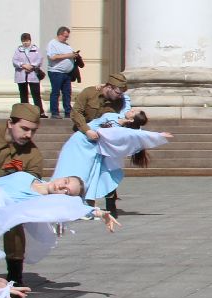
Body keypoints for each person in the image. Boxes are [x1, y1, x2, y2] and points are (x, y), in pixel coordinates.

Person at [51, 108, 170, 212]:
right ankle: (55, 198)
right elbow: (125, 102)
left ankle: (79, 204)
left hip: (91, 149)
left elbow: (133, 134)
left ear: (132, 120)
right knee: (68, 169)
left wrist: (157, 135)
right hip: (80, 142)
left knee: (85, 176)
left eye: (133, 112)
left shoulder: (120, 129)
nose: (130, 110)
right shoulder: (115, 117)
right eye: (132, 109)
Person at [0, 104, 44, 285]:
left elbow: (31, 186)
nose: (28, 135)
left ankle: (15, 275)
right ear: (10, 123)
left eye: (33, 131)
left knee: (14, 223)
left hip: (8, 199)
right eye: (24, 129)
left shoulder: (33, 154)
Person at [70, 72, 130, 211]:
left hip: (103, 141)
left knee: (106, 171)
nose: (119, 96)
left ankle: (110, 202)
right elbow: (76, 112)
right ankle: (80, 204)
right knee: (82, 171)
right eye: (117, 92)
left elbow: (117, 118)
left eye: (121, 93)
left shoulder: (119, 101)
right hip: (83, 138)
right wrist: (87, 130)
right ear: (108, 87)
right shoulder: (89, 93)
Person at [43, 26, 78, 119]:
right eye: (65, 36)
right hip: (56, 72)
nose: (66, 38)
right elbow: (52, 57)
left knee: (67, 92)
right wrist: (69, 55)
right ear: (60, 34)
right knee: (55, 92)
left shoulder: (67, 45)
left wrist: (74, 55)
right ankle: (54, 112)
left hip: (67, 73)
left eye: (67, 36)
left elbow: (69, 55)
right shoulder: (52, 44)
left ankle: (68, 111)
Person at [12, 34, 43, 115]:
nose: (25, 43)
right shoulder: (18, 50)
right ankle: (25, 113)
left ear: (30, 40)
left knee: (36, 95)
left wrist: (31, 66)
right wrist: (23, 65)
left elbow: (39, 59)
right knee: (23, 95)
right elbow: (14, 61)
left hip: (33, 75)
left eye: (27, 41)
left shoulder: (35, 49)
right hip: (21, 75)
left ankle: (40, 112)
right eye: (24, 41)